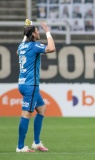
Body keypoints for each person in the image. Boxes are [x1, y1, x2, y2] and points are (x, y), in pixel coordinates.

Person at [16, 19, 56, 152]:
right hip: (30, 85)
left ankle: (36, 142)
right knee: (26, 114)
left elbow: (20, 50)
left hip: (23, 84)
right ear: (33, 34)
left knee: (42, 109)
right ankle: (20, 146)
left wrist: (27, 30)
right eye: (37, 31)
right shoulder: (34, 46)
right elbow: (51, 48)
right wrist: (48, 31)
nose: (39, 33)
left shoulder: (21, 46)